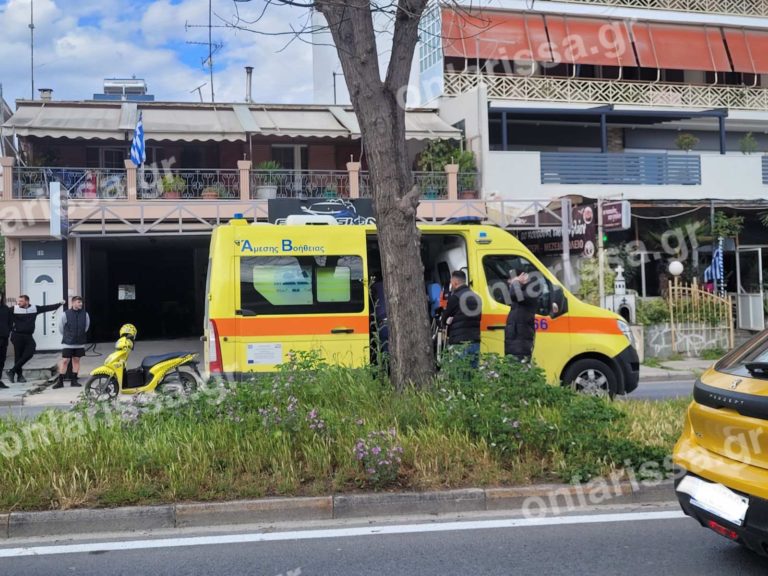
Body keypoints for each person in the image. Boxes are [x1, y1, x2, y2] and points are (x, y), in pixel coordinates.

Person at [7, 295, 64, 383]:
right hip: (17, 335)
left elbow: (47, 308)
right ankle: (19, 376)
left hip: (28, 335)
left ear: (27, 301)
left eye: (21, 301)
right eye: (19, 301)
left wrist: (59, 304)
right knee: (18, 356)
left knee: (30, 352)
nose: (19, 303)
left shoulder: (34, 309)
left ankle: (12, 371)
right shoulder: (14, 309)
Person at [440, 270, 482, 367]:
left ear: (455, 282)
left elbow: (444, 318)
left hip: (459, 343)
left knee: (459, 376)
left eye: (451, 282)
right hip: (475, 341)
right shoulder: (477, 298)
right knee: (473, 375)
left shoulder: (454, 298)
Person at [54, 296, 90, 389]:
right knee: (65, 361)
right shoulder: (65, 314)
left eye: (81, 302)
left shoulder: (85, 314)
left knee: (76, 360)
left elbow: (86, 327)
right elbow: (61, 328)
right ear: (73, 303)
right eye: (79, 302)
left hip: (80, 343)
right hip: (68, 343)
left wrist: (80, 335)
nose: (81, 304)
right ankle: (60, 381)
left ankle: (74, 380)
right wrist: (67, 336)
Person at [504, 271, 539, 362]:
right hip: (514, 344)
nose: (510, 284)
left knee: (519, 368)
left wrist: (516, 281)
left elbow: (515, 295)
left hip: (520, 345)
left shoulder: (530, 293)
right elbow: (511, 296)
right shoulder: (517, 303)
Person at [0, 294, 12, 389]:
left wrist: (8, 331)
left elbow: (10, 322)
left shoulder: (5, 308)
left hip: (4, 338)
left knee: (2, 360)